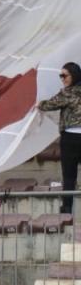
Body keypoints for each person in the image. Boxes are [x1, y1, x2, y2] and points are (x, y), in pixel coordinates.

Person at [37, 61, 81, 213]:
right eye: (60, 76)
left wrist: (38, 104)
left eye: (65, 75)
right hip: (72, 137)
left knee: (69, 176)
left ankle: (67, 209)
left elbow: (48, 105)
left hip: (70, 139)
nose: (62, 78)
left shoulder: (67, 93)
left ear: (73, 75)